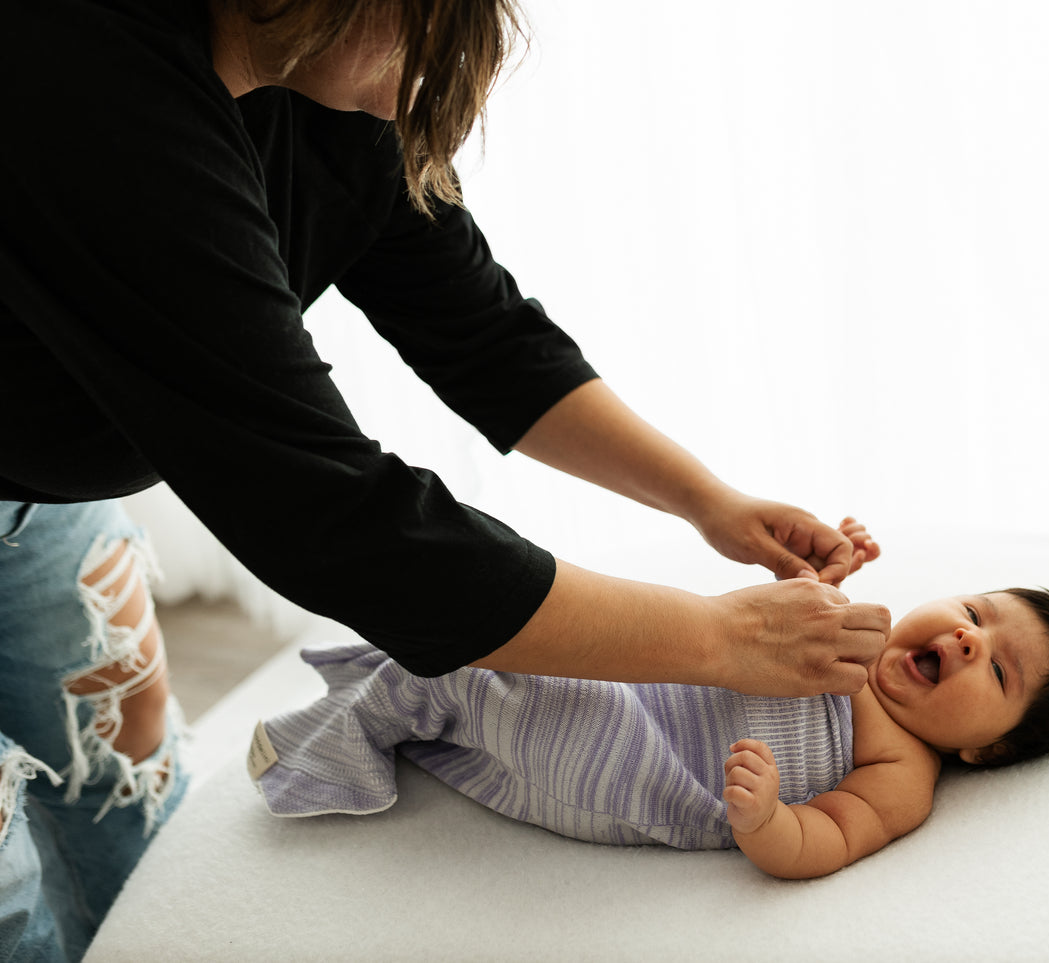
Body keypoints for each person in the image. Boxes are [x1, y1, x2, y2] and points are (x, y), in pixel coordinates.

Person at [0, 1, 889, 957]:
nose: (433, 79)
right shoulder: (94, 85)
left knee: (112, 764)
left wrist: (707, 502)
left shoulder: (336, 99)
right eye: (433, 39)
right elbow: (336, 517)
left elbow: (481, 331)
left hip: (43, 501)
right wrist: (717, 639)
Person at [253, 519, 1049, 879]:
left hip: (645, 770)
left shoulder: (903, 771)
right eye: (972, 614)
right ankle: (399, 681)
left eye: (996, 672)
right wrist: (816, 577)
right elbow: (773, 626)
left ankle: (331, 747)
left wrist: (769, 818)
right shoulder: (868, 634)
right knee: (520, 629)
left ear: (987, 749)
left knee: (481, 676)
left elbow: (825, 840)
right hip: (646, 683)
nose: (964, 639)